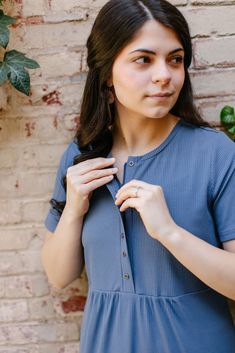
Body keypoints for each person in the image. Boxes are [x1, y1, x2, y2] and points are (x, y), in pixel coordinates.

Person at [41, 1, 235, 352]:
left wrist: (169, 232)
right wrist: (73, 209)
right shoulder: (80, 155)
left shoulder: (216, 154)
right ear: (106, 73)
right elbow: (58, 277)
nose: (165, 75)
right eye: (144, 59)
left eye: (175, 59)